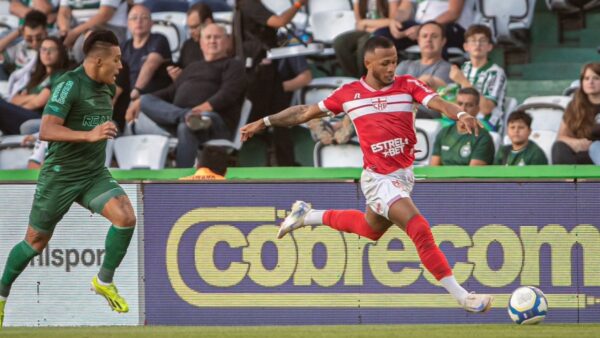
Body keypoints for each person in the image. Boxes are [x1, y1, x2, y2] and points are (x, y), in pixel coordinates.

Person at [240, 36, 493, 312]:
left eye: (395, 61)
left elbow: (440, 103)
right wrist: (264, 121)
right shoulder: (349, 94)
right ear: (368, 63)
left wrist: (460, 116)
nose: (391, 68)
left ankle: (307, 215)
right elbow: (304, 112)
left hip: (403, 176)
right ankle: (463, 297)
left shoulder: (408, 85)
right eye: (385, 63)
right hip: (378, 179)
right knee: (418, 228)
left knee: (369, 229)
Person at [0, 30, 136, 328]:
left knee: (125, 217)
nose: (120, 66)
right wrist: (88, 135)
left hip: (93, 174)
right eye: (116, 60)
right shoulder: (68, 84)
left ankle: (104, 281)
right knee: (35, 242)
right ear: (98, 61)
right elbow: (47, 130)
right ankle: (0, 297)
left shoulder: (108, 88)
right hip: (60, 176)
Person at [127, 24, 246, 167]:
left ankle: (181, 179)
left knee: (186, 127)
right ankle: (186, 116)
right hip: (184, 119)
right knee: (146, 99)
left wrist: (202, 109)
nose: (212, 41)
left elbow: (228, 93)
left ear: (227, 41)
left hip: (215, 120)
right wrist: (138, 102)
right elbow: (170, 92)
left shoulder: (233, 65)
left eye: (217, 37)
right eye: (208, 37)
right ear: (201, 43)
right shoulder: (192, 67)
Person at [233, 0, 307, 166]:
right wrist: (297, 5)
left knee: (277, 120)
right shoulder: (249, 4)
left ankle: (284, 165)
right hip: (259, 75)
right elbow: (279, 21)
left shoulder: (244, 5)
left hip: (261, 72)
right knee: (274, 120)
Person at [0, 36, 70, 135]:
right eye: (44, 49)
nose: (47, 53)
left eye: (52, 50)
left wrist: (17, 108)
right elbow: (14, 99)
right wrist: (33, 97)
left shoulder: (62, 75)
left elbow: (39, 102)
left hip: (38, 118)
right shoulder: (36, 76)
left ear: (61, 53)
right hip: (25, 114)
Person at [447, 24, 507, 131]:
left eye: (482, 40)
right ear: (466, 47)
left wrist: (463, 81)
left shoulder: (496, 72)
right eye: (473, 40)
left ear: (489, 46)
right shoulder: (465, 68)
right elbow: (457, 100)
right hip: (464, 120)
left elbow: (486, 108)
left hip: (487, 124)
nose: (478, 44)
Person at [374, 0, 474, 55]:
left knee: (433, 34)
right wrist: (395, 22)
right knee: (381, 36)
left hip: (450, 27)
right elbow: (405, 9)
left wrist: (423, 28)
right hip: (419, 27)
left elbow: (453, 13)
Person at [333, 0, 398, 78]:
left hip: (384, 31)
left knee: (364, 42)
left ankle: (364, 79)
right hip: (366, 30)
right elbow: (359, 24)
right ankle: (354, 77)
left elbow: (393, 21)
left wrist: (365, 23)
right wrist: (367, 25)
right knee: (340, 42)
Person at [430, 87, 494, 166]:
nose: (463, 109)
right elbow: (434, 167)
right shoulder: (444, 132)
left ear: (477, 109)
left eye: (469, 105)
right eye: (460, 104)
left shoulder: (483, 138)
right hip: (442, 178)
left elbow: (473, 174)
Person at [121, 4, 172, 101]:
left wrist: (136, 90)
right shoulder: (123, 46)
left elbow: (150, 64)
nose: (138, 21)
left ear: (151, 23)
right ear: (128, 23)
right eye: (134, 18)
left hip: (150, 98)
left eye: (144, 17)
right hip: (127, 97)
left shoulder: (159, 39)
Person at [552, 62, 600, 165]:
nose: (590, 82)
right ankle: (573, 180)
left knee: (596, 147)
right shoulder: (575, 105)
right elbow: (561, 137)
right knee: (558, 147)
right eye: (586, 78)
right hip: (582, 153)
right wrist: (576, 142)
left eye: (596, 78)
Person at [395, 21, 451, 90]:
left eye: (434, 36)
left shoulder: (448, 69)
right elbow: (389, 89)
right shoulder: (404, 65)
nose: (428, 40)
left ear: (443, 41)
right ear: (418, 40)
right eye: (424, 36)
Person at [57, 0, 128, 49]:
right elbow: (63, 12)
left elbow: (105, 15)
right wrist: (64, 31)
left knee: (82, 45)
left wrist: (74, 33)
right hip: (79, 27)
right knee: (53, 41)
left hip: (108, 27)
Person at [0, 10, 47, 79]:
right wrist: (18, 32)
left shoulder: (52, 46)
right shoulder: (20, 45)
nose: (34, 42)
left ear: (46, 32)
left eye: (39, 38)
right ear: (23, 34)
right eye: (29, 39)